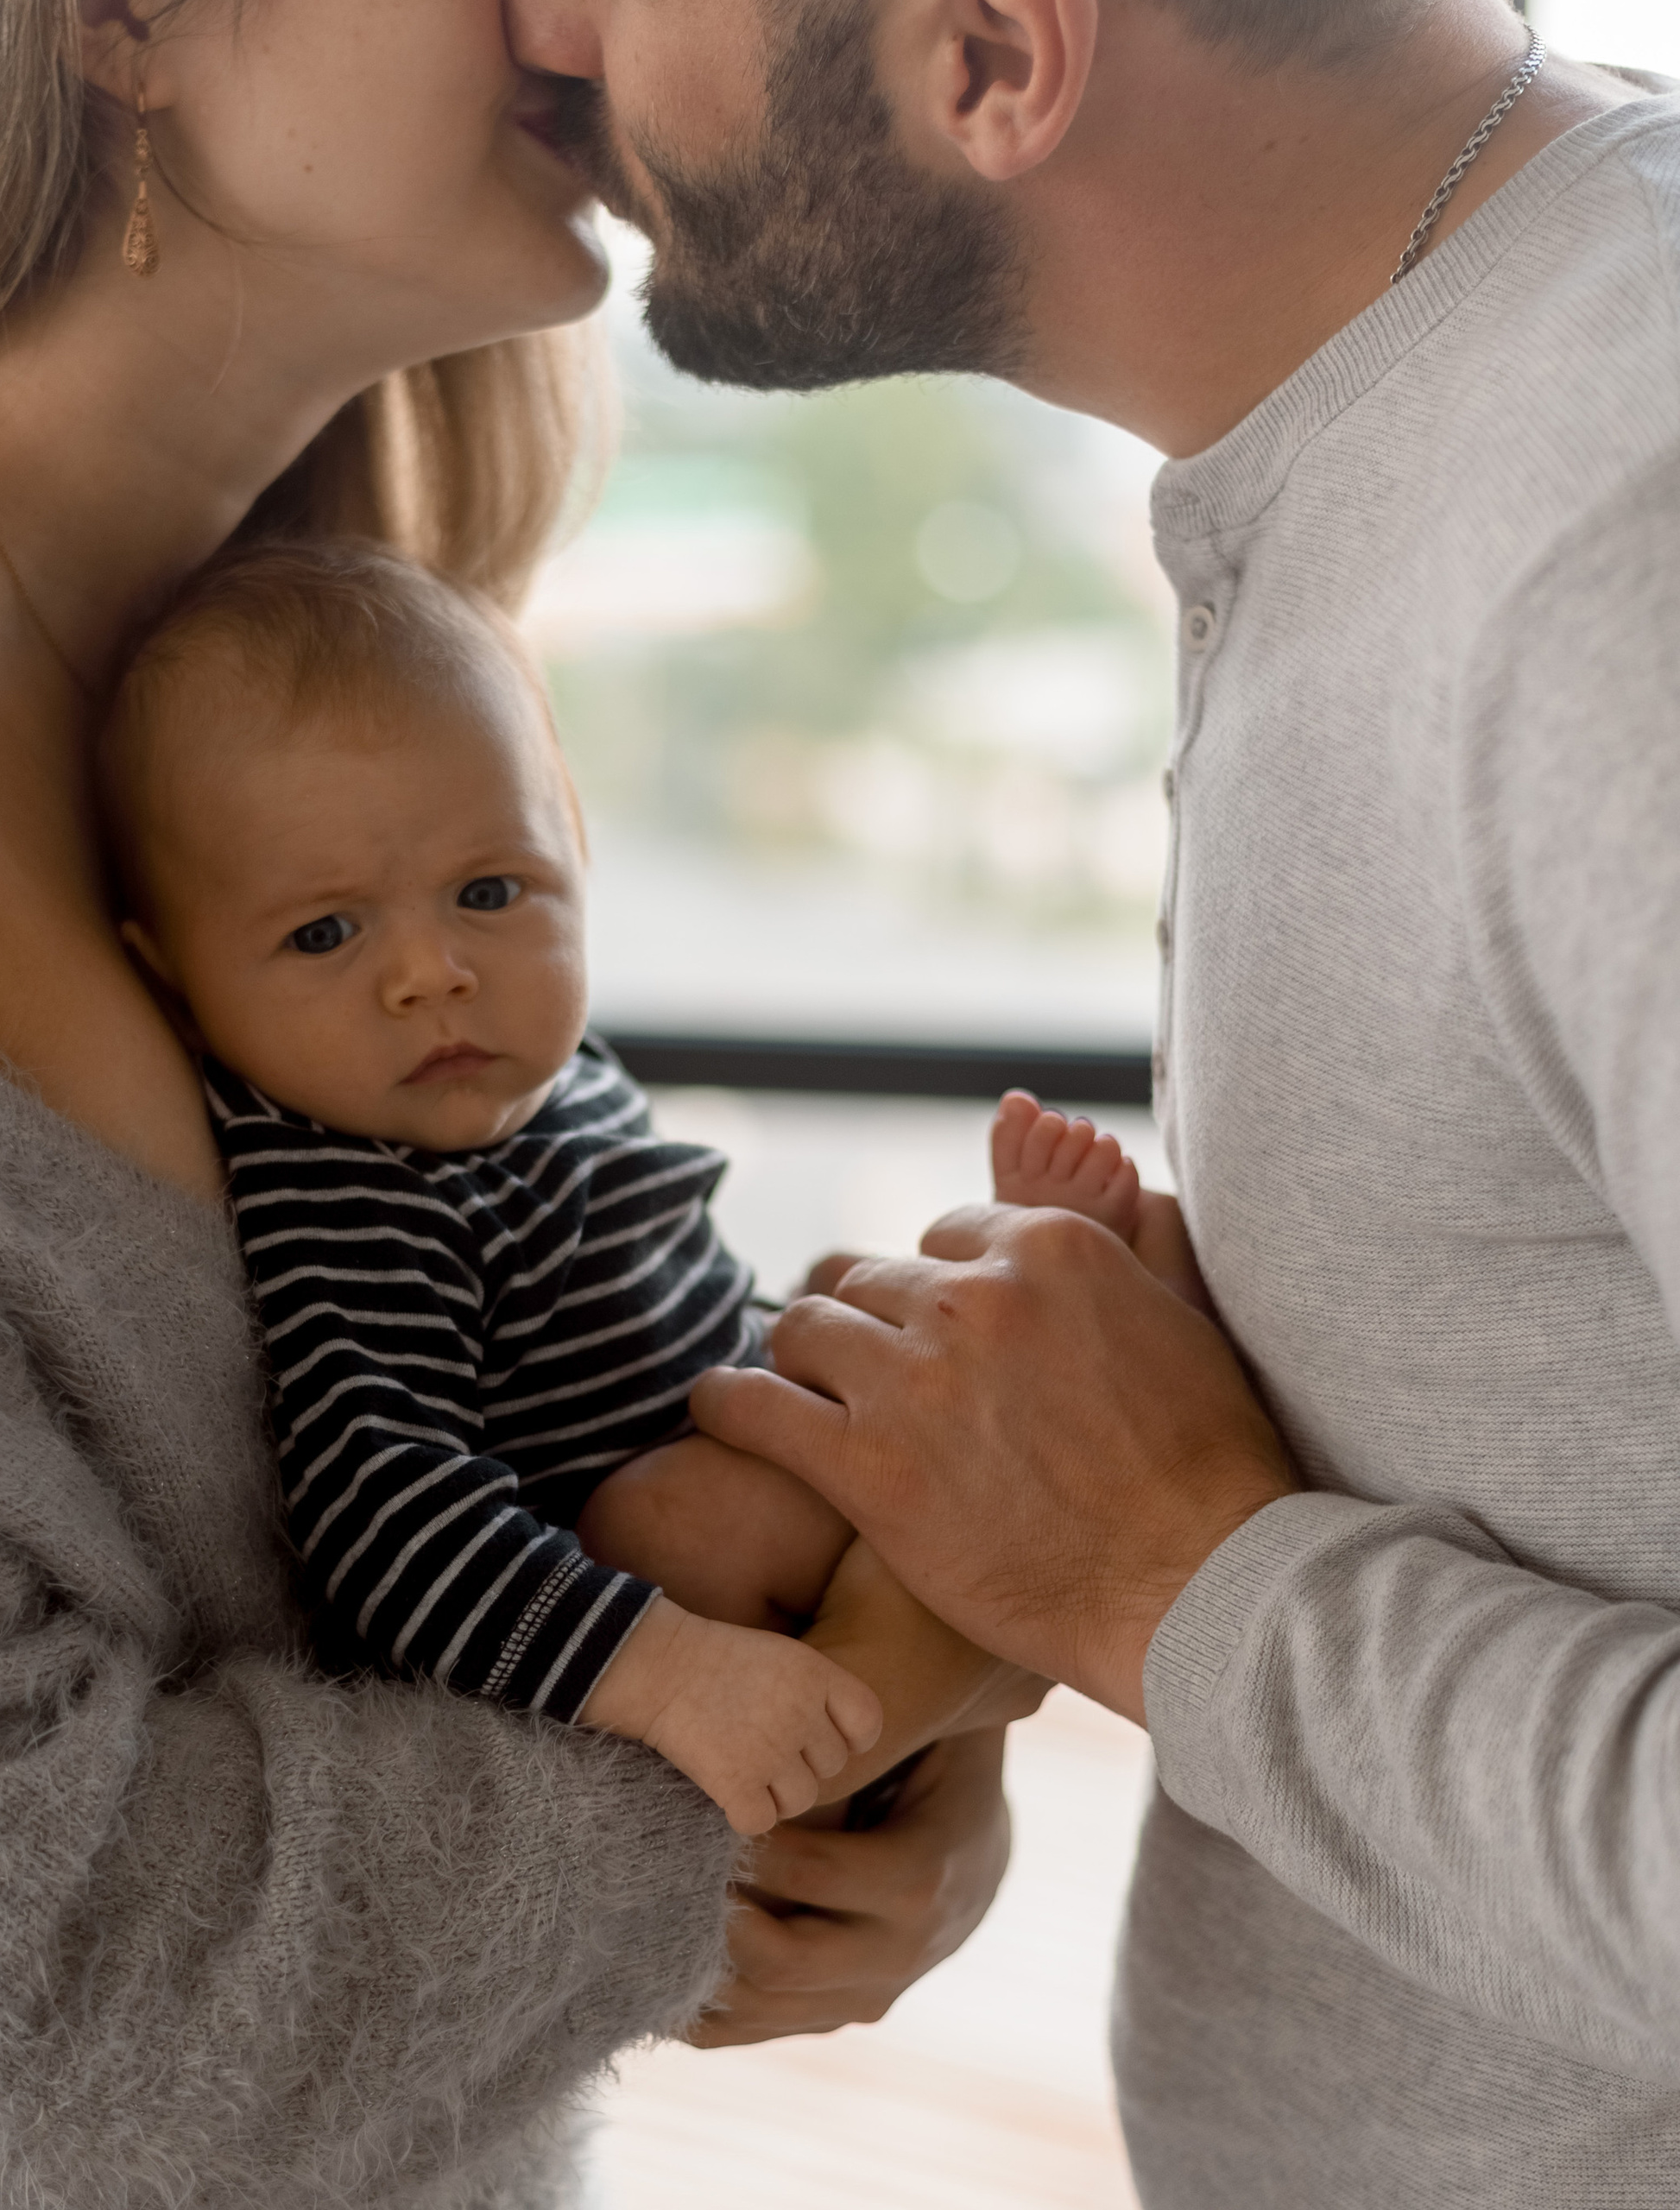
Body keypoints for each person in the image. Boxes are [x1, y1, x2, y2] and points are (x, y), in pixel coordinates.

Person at [0, 2, 1017, 2202]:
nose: (588, 13)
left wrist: (912, 1696)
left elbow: (514, 1416)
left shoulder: (290, 669)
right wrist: (761, 1769)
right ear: (113, 27)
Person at [506, 0, 1680, 2199]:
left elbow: (1217, 1561)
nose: (542, 30)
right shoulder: (1409, 423)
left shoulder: (1619, 550)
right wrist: (997, 1610)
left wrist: (1163, 1587)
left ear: (987, 55)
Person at [96, 536, 1045, 1835]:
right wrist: (659, 1670)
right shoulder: (357, 1195)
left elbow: (674, 1307)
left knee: (907, 1305)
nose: (433, 970)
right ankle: (959, 1583)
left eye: (491, 891)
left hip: (747, 1440)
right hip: (647, 1605)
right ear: (175, 984)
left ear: (576, 849)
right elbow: (386, 1510)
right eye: (324, 931)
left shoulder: (550, 1076)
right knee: (689, 1510)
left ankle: (1006, 1428)